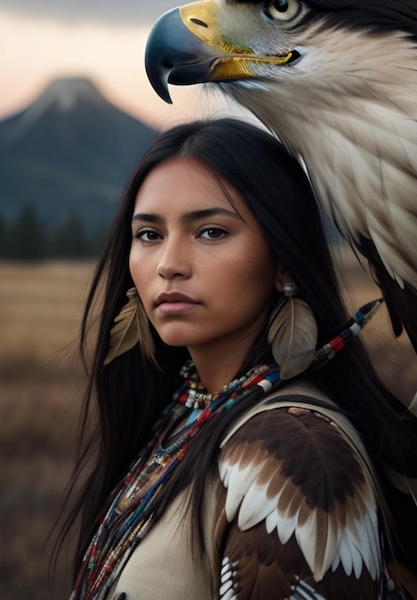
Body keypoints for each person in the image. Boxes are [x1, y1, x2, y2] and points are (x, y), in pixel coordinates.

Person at [62, 118, 417, 600]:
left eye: (210, 231)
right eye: (148, 234)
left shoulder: (297, 454)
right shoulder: (188, 412)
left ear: (284, 259)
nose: (169, 263)